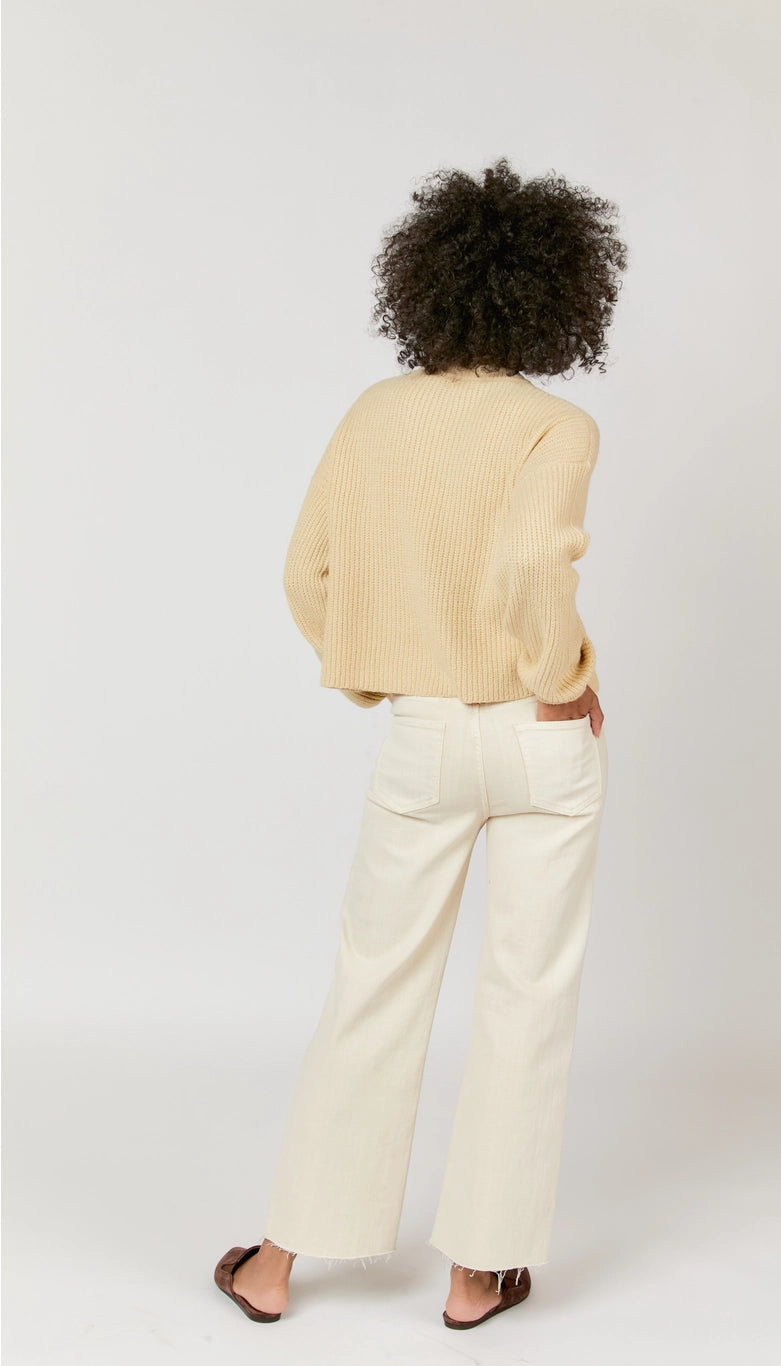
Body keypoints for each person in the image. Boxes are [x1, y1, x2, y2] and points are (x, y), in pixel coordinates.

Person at [214, 155, 629, 1331]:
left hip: (423, 733)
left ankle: (274, 1264)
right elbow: (530, 568)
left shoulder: (374, 414)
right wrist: (562, 679)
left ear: (428, 286)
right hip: (541, 743)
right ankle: (473, 1274)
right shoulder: (557, 425)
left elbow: (305, 573)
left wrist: (373, 667)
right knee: (525, 996)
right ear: (558, 294)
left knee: (374, 984)